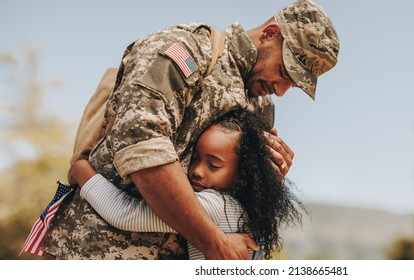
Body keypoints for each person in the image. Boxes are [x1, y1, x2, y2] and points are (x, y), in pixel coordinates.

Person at [42, 0, 339, 260]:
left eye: (294, 85)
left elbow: (231, 203)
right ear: (271, 34)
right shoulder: (187, 50)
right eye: (285, 72)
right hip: (104, 252)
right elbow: (144, 150)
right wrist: (214, 243)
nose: (282, 90)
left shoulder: (260, 106)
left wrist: (268, 177)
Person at [69, 110, 304, 260]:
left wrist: (81, 169)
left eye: (213, 165)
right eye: (196, 158)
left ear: (242, 176)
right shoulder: (246, 209)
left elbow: (125, 213)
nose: (197, 171)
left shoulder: (216, 205)